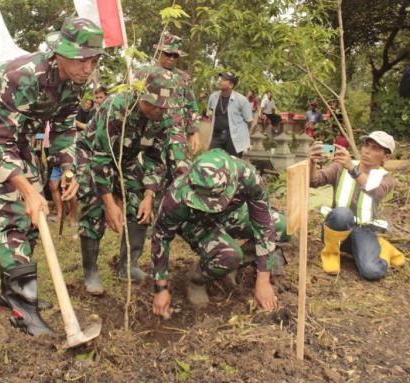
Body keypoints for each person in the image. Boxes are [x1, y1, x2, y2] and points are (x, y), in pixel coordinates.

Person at [0, 18, 105, 336]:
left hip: (19, 140)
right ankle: (23, 309)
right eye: (81, 59)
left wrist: (65, 171)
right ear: (60, 54)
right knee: (14, 215)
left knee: (35, 217)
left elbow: (64, 131)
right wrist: (26, 190)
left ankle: (11, 293)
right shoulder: (24, 76)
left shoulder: (76, 82)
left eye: (94, 60)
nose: (88, 67)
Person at [76, 66, 182, 295]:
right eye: (153, 104)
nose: (158, 110)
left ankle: (128, 266)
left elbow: (155, 159)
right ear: (141, 96)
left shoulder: (161, 118)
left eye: (163, 106)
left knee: (141, 208)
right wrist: (109, 203)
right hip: (93, 154)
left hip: (128, 159)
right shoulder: (117, 107)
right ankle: (91, 272)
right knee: (94, 209)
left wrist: (149, 195)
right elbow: (101, 158)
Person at [151, 149, 289, 316]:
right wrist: (160, 289)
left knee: (281, 226)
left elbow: (264, 225)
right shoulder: (176, 196)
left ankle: (235, 264)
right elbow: (160, 237)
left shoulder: (247, 177)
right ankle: (197, 279)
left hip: (229, 214)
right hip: (196, 222)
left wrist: (263, 280)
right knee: (229, 255)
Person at [309, 131, 404, 280]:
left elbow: (376, 191)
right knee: (342, 214)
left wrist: (352, 170)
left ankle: (383, 249)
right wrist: (312, 163)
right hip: (336, 230)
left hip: (363, 232)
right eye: (366, 145)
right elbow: (314, 181)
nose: (367, 151)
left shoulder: (387, 179)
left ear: (386, 157)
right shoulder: (340, 167)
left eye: (375, 148)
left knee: (372, 272)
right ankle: (331, 253)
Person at [155, 32, 201, 178]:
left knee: (182, 173)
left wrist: (194, 132)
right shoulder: (147, 75)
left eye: (175, 56)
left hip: (176, 134)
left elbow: (191, 105)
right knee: (153, 174)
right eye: (168, 54)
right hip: (152, 133)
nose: (171, 58)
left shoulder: (183, 78)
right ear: (159, 52)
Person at [206, 72, 252, 157]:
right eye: (220, 79)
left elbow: (249, 121)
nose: (220, 81)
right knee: (213, 163)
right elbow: (210, 115)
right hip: (217, 137)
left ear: (231, 85)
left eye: (223, 80)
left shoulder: (241, 100)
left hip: (234, 139)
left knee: (233, 166)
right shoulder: (213, 97)